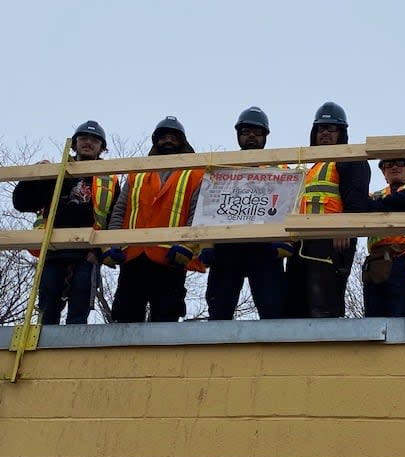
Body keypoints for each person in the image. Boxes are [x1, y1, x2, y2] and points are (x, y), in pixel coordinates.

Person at [13, 120, 120, 324]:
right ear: (75, 143)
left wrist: (98, 252)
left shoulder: (109, 180)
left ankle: (73, 349)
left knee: (79, 306)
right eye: (83, 138)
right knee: (48, 303)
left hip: (86, 251)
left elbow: (114, 218)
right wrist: (33, 176)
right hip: (53, 249)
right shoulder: (56, 173)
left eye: (94, 140)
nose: (88, 142)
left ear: (102, 148)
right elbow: (23, 203)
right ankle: (43, 351)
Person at [102, 116, 203, 322]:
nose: (167, 140)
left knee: (166, 316)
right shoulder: (137, 174)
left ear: (182, 141)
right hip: (134, 256)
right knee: (125, 316)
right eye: (163, 136)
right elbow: (120, 211)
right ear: (155, 141)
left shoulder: (194, 173)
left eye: (173, 137)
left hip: (171, 257)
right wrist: (112, 244)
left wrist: (188, 245)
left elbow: (197, 212)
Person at [201, 107, 291, 319]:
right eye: (246, 131)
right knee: (219, 305)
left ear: (265, 137)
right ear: (238, 134)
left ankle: (274, 349)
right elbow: (208, 206)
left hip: (265, 246)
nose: (251, 136)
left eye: (257, 132)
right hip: (227, 245)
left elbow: (291, 205)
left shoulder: (279, 168)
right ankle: (217, 349)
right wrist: (206, 244)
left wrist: (287, 240)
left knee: (272, 305)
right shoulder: (222, 168)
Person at [286, 102, 371, 318]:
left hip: (331, 243)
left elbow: (356, 203)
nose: (325, 133)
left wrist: (344, 229)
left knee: (324, 305)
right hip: (302, 244)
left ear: (341, 133)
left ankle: (327, 350)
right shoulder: (310, 167)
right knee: (295, 306)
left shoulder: (350, 160)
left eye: (331, 129)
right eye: (321, 129)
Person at [364, 157, 405, 317]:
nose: (394, 167)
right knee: (374, 318)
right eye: (388, 164)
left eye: (400, 163)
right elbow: (361, 206)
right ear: (383, 172)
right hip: (377, 263)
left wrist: (380, 207)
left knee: (404, 316)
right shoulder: (374, 195)